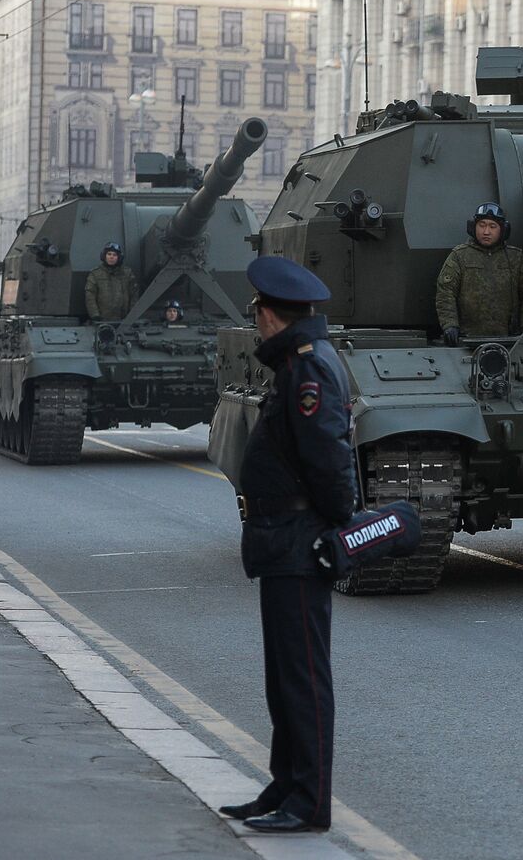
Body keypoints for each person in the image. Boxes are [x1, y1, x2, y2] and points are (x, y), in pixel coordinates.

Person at [219, 256, 356, 835]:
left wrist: (334, 526)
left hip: (299, 541)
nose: (254, 321)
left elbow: (329, 458)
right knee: (284, 677)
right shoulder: (298, 363)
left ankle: (309, 802)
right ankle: (286, 783)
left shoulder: (307, 369)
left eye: (256, 311)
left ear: (270, 315)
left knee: (302, 677)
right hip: (281, 542)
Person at [435, 202, 523, 343]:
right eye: (482, 225)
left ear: (503, 230)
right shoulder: (459, 256)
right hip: (467, 339)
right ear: (473, 227)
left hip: (509, 339)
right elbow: (446, 293)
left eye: (492, 226)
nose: (486, 232)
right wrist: (450, 325)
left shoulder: (516, 258)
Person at [85, 241, 140, 321]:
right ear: (104, 256)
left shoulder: (127, 273)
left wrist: (132, 315)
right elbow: (90, 295)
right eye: (109, 254)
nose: (111, 257)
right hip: (102, 319)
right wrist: (95, 315)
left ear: (119, 257)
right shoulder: (95, 274)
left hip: (124, 319)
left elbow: (134, 294)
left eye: (114, 255)